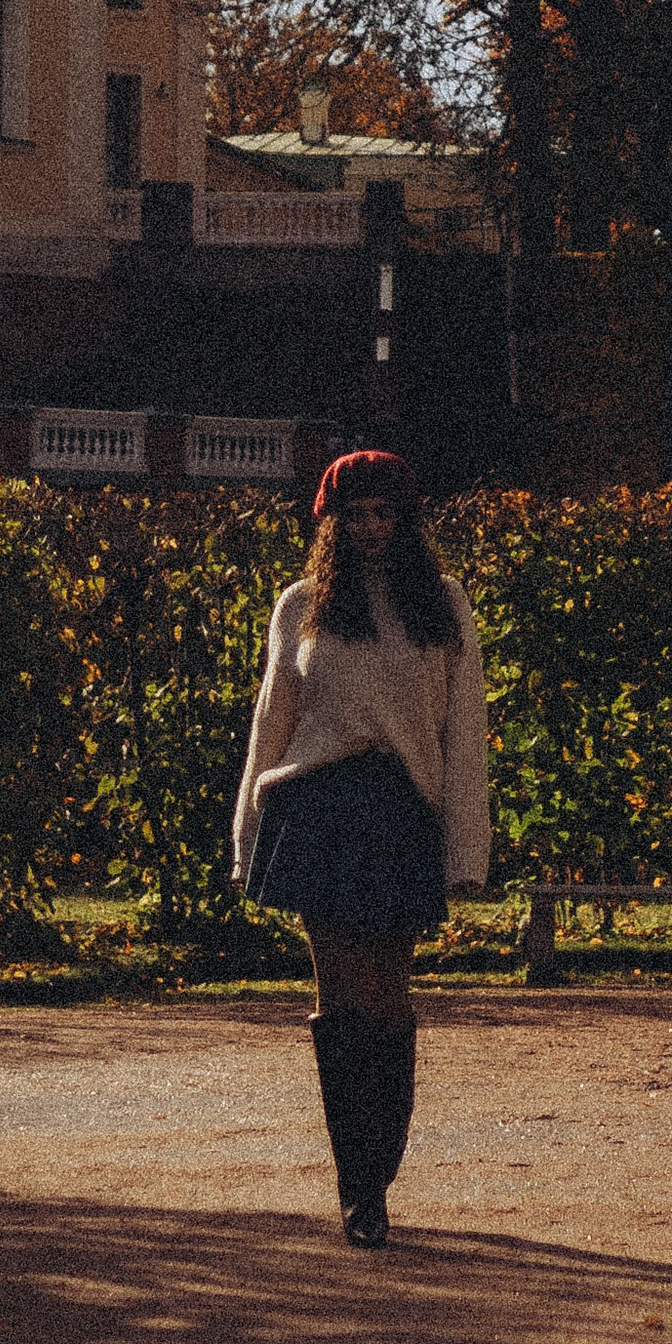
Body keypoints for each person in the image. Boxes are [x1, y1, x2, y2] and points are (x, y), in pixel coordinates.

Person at [232, 447, 488, 1246]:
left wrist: (467, 848)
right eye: (357, 515)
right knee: (341, 999)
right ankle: (360, 1194)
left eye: (386, 514)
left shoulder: (443, 606)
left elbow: (465, 734)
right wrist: (247, 837)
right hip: (318, 809)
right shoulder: (300, 606)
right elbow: (270, 726)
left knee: (390, 1000)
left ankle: (379, 1161)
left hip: (402, 809)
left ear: (409, 524)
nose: (372, 528)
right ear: (332, 524)